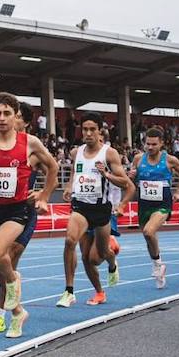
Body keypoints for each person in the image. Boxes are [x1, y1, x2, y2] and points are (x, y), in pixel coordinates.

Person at [0, 92, 57, 338]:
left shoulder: (29, 143)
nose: (3, 118)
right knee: (0, 264)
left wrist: (44, 196)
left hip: (18, 210)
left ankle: (4, 306)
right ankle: (15, 310)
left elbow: (54, 167)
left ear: (16, 116)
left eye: (8, 113)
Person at [57, 112, 134, 307]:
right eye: (85, 129)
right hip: (81, 206)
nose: (88, 133)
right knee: (71, 243)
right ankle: (72, 291)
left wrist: (106, 174)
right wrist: (68, 187)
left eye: (92, 129)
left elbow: (125, 182)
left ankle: (111, 260)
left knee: (96, 257)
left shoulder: (109, 153)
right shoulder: (76, 152)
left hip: (101, 211)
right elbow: (75, 172)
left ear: (100, 131)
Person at [128, 126, 179, 289]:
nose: (150, 147)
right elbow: (132, 181)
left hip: (163, 203)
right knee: (147, 237)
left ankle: (157, 264)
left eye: (154, 144)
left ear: (161, 143)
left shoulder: (170, 160)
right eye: (148, 144)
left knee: (149, 231)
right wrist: (130, 176)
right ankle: (158, 264)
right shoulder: (138, 159)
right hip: (144, 203)